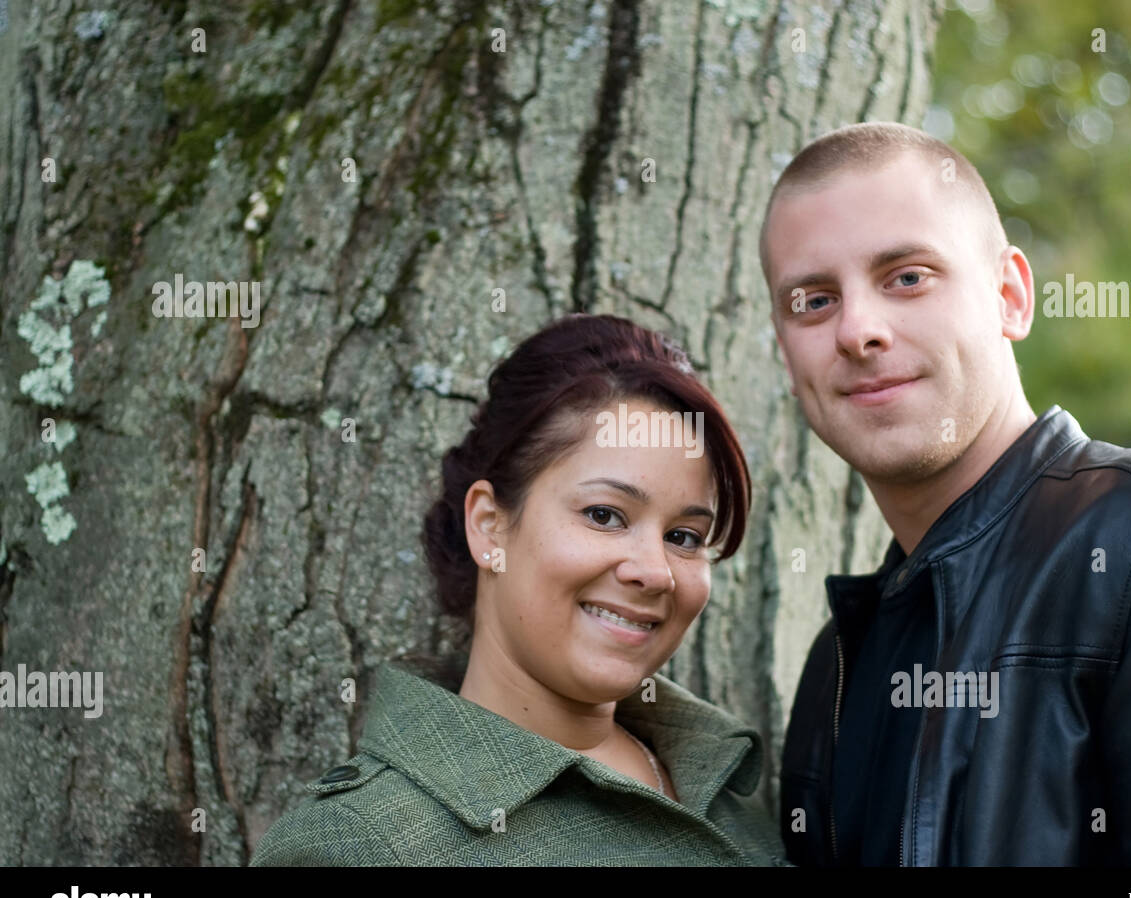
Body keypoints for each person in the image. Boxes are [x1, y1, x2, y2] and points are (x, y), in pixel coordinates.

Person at [763, 121, 1131, 865]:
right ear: (787, 358)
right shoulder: (839, 661)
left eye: (907, 277)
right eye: (813, 301)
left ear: (1011, 296)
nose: (858, 329)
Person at [250, 314, 788, 866]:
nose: (656, 572)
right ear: (489, 525)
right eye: (605, 515)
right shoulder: (359, 846)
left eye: (683, 536)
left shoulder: (731, 786)